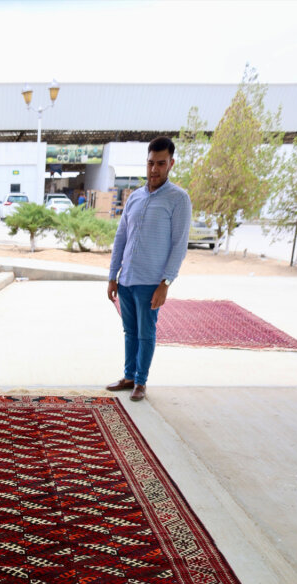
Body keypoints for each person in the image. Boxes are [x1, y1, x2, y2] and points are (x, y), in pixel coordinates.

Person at [106, 137, 191, 401]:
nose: (154, 169)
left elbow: (179, 244)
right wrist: (112, 276)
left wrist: (166, 283)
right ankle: (129, 376)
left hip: (150, 283)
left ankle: (141, 382)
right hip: (127, 280)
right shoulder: (134, 197)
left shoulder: (179, 199)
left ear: (171, 164)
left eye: (161, 164)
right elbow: (121, 238)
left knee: (146, 333)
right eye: (151, 163)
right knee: (129, 332)